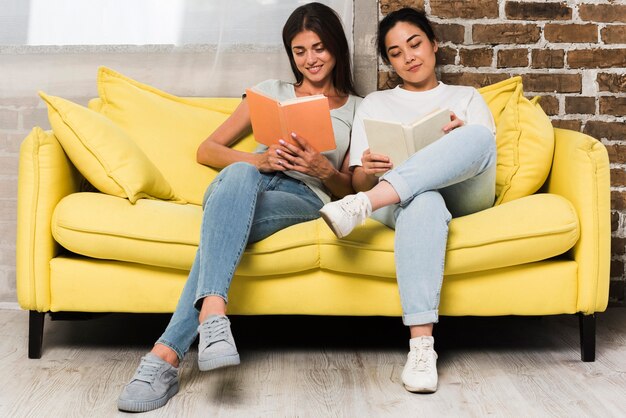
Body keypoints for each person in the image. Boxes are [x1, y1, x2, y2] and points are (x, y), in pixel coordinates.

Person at [118, 2, 360, 412]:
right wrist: (258, 160)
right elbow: (207, 150)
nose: (310, 60)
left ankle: (165, 356)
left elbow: (350, 189)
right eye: (299, 51)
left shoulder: (356, 107)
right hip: (245, 183)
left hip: (302, 196)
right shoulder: (269, 91)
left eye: (318, 48)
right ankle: (212, 317)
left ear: (335, 47)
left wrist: (322, 168)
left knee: (219, 236)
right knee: (241, 175)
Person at [319, 8, 496, 394]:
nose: (409, 57)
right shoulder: (377, 104)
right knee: (425, 200)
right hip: (405, 205)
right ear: (389, 62)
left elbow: (481, 154)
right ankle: (421, 347)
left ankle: (363, 206)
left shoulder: (465, 97)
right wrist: (366, 168)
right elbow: (358, 180)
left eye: (415, 44)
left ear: (433, 44)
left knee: (478, 137)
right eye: (396, 53)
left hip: (466, 194)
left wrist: (459, 137)